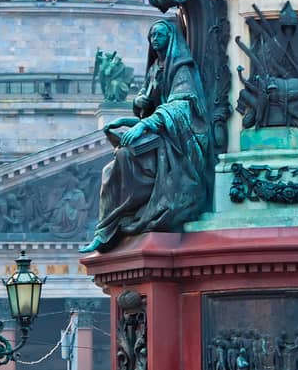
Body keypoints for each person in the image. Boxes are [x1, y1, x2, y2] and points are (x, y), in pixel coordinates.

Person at [83, 17, 211, 253]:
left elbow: (182, 106)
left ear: (171, 38)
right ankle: (106, 228)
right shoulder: (154, 68)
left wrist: (142, 126)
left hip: (179, 138)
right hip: (162, 130)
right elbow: (148, 104)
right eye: (152, 36)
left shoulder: (181, 67)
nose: (155, 40)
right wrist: (136, 108)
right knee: (110, 168)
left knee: (126, 156)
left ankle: (121, 219)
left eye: (159, 35)